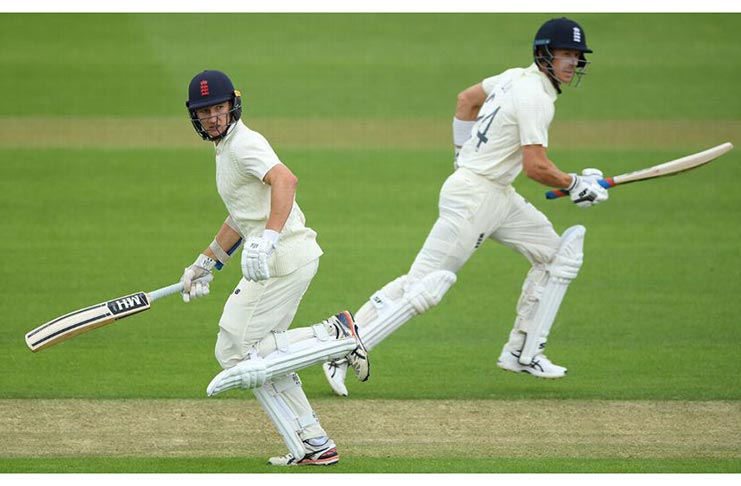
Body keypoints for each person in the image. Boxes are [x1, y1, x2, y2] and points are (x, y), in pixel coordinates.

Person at [322, 17, 608, 396]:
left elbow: (466, 100)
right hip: (475, 197)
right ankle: (343, 348)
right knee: (424, 285)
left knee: (557, 256)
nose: (573, 63)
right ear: (544, 54)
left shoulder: (513, 77)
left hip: (498, 195)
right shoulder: (536, 96)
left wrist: (462, 155)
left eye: (577, 56)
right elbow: (535, 166)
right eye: (566, 54)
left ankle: (522, 352)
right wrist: (575, 184)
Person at [180, 70, 369, 465]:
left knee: (233, 349)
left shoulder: (244, 144)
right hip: (284, 260)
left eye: (218, 108)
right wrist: (206, 262)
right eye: (204, 112)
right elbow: (240, 216)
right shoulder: (225, 150)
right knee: (263, 356)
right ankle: (315, 441)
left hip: (283, 260)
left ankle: (333, 334)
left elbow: (286, 180)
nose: (212, 117)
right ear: (194, 117)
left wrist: (267, 238)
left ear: (233, 104)